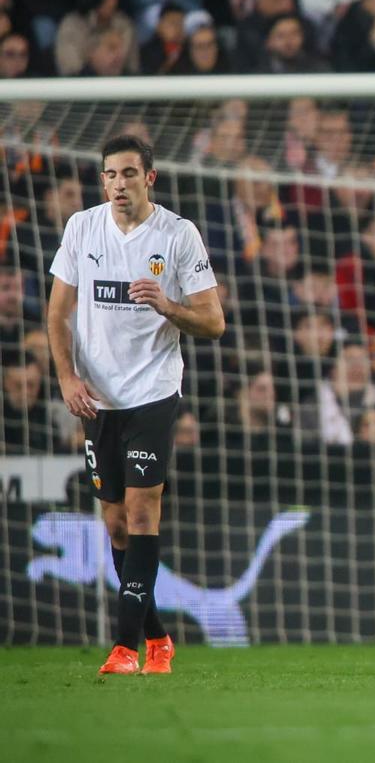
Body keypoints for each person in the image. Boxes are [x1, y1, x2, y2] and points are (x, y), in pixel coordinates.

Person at [46, 135, 224, 676]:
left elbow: (214, 323)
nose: (117, 184)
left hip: (153, 392)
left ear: (150, 178)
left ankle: (126, 648)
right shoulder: (83, 227)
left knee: (144, 512)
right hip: (97, 399)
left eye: (127, 174)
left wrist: (167, 305)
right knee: (117, 527)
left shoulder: (177, 235)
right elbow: (57, 316)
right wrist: (66, 378)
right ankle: (160, 637)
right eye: (109, 175)